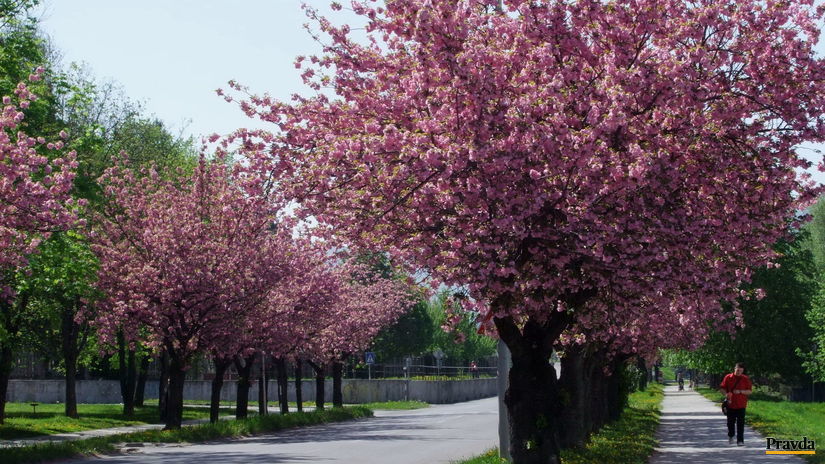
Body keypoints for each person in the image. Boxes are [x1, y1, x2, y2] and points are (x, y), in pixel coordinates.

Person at [719, 362, 752, 446]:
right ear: (734, 369)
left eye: (740, 371)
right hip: (730, 404)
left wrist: (741, 391)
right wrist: (726, 394)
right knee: (730, 423)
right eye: (737, 370)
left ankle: (740, 440)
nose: (739, 372)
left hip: (741, 405)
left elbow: (749, 391)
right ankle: (731, 435)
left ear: (743, 371)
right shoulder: (728, 377)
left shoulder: (745, 379)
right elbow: (722, 388)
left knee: (741, 423)